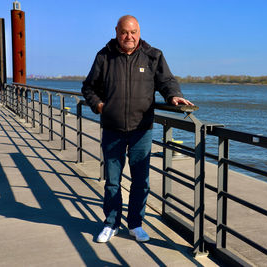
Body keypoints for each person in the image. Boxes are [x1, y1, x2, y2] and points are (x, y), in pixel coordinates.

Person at [81, 15, 193, 243]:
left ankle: (135, 224)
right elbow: (88, 87)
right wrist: (99, 106)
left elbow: (167, 82)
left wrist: (175, 97)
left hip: (142, 129)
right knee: (112, 181)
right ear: (116, 31)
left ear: (139, 32)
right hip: (112, 129)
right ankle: (111, 223)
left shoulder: (153, 56)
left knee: (141, 181)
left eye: (133, 32)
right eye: (124, 32)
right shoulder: (104, 56)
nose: (129, 37)